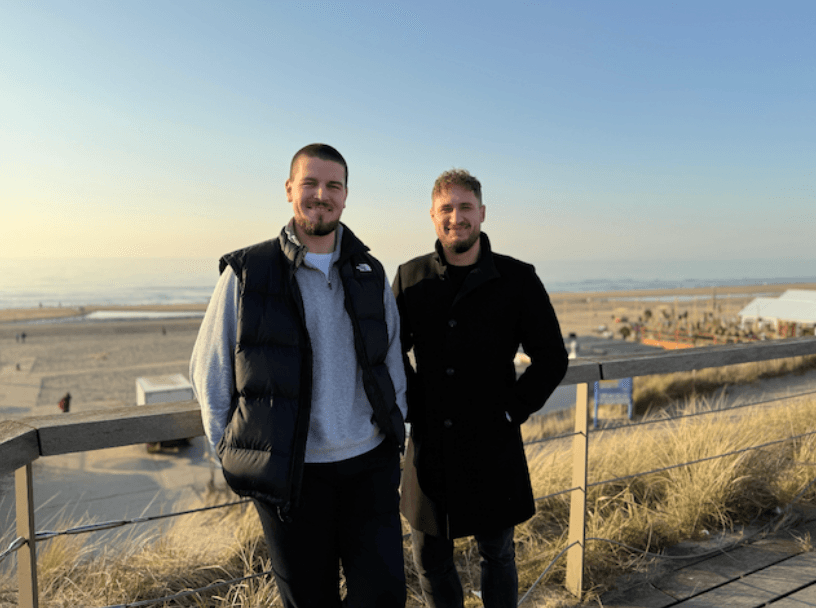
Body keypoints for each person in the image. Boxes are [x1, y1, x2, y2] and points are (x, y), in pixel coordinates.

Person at [190, 143, 408, 608]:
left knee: (385, 594)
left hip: (369, 466)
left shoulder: (369, 271)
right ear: (290, 190)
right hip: (291, 477)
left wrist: (395, 428)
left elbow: (391, 359)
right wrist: (230, 453)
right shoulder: (249, 271)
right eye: (310, 183)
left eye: (333, 185)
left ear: (346, 196)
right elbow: (209, 369)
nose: (321, 195)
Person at [392, 169, 569, 608]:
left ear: (482, 213)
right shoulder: (410, 277)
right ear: (433, 216)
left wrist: (513, 410)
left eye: (465, 207)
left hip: (493, 440)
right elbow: (390, 352)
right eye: (447, 209)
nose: (457, 217)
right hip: (430, 443)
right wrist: (413, 406)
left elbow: (552, 357)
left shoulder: (518, 278)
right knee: (430, 559)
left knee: (499, 554)